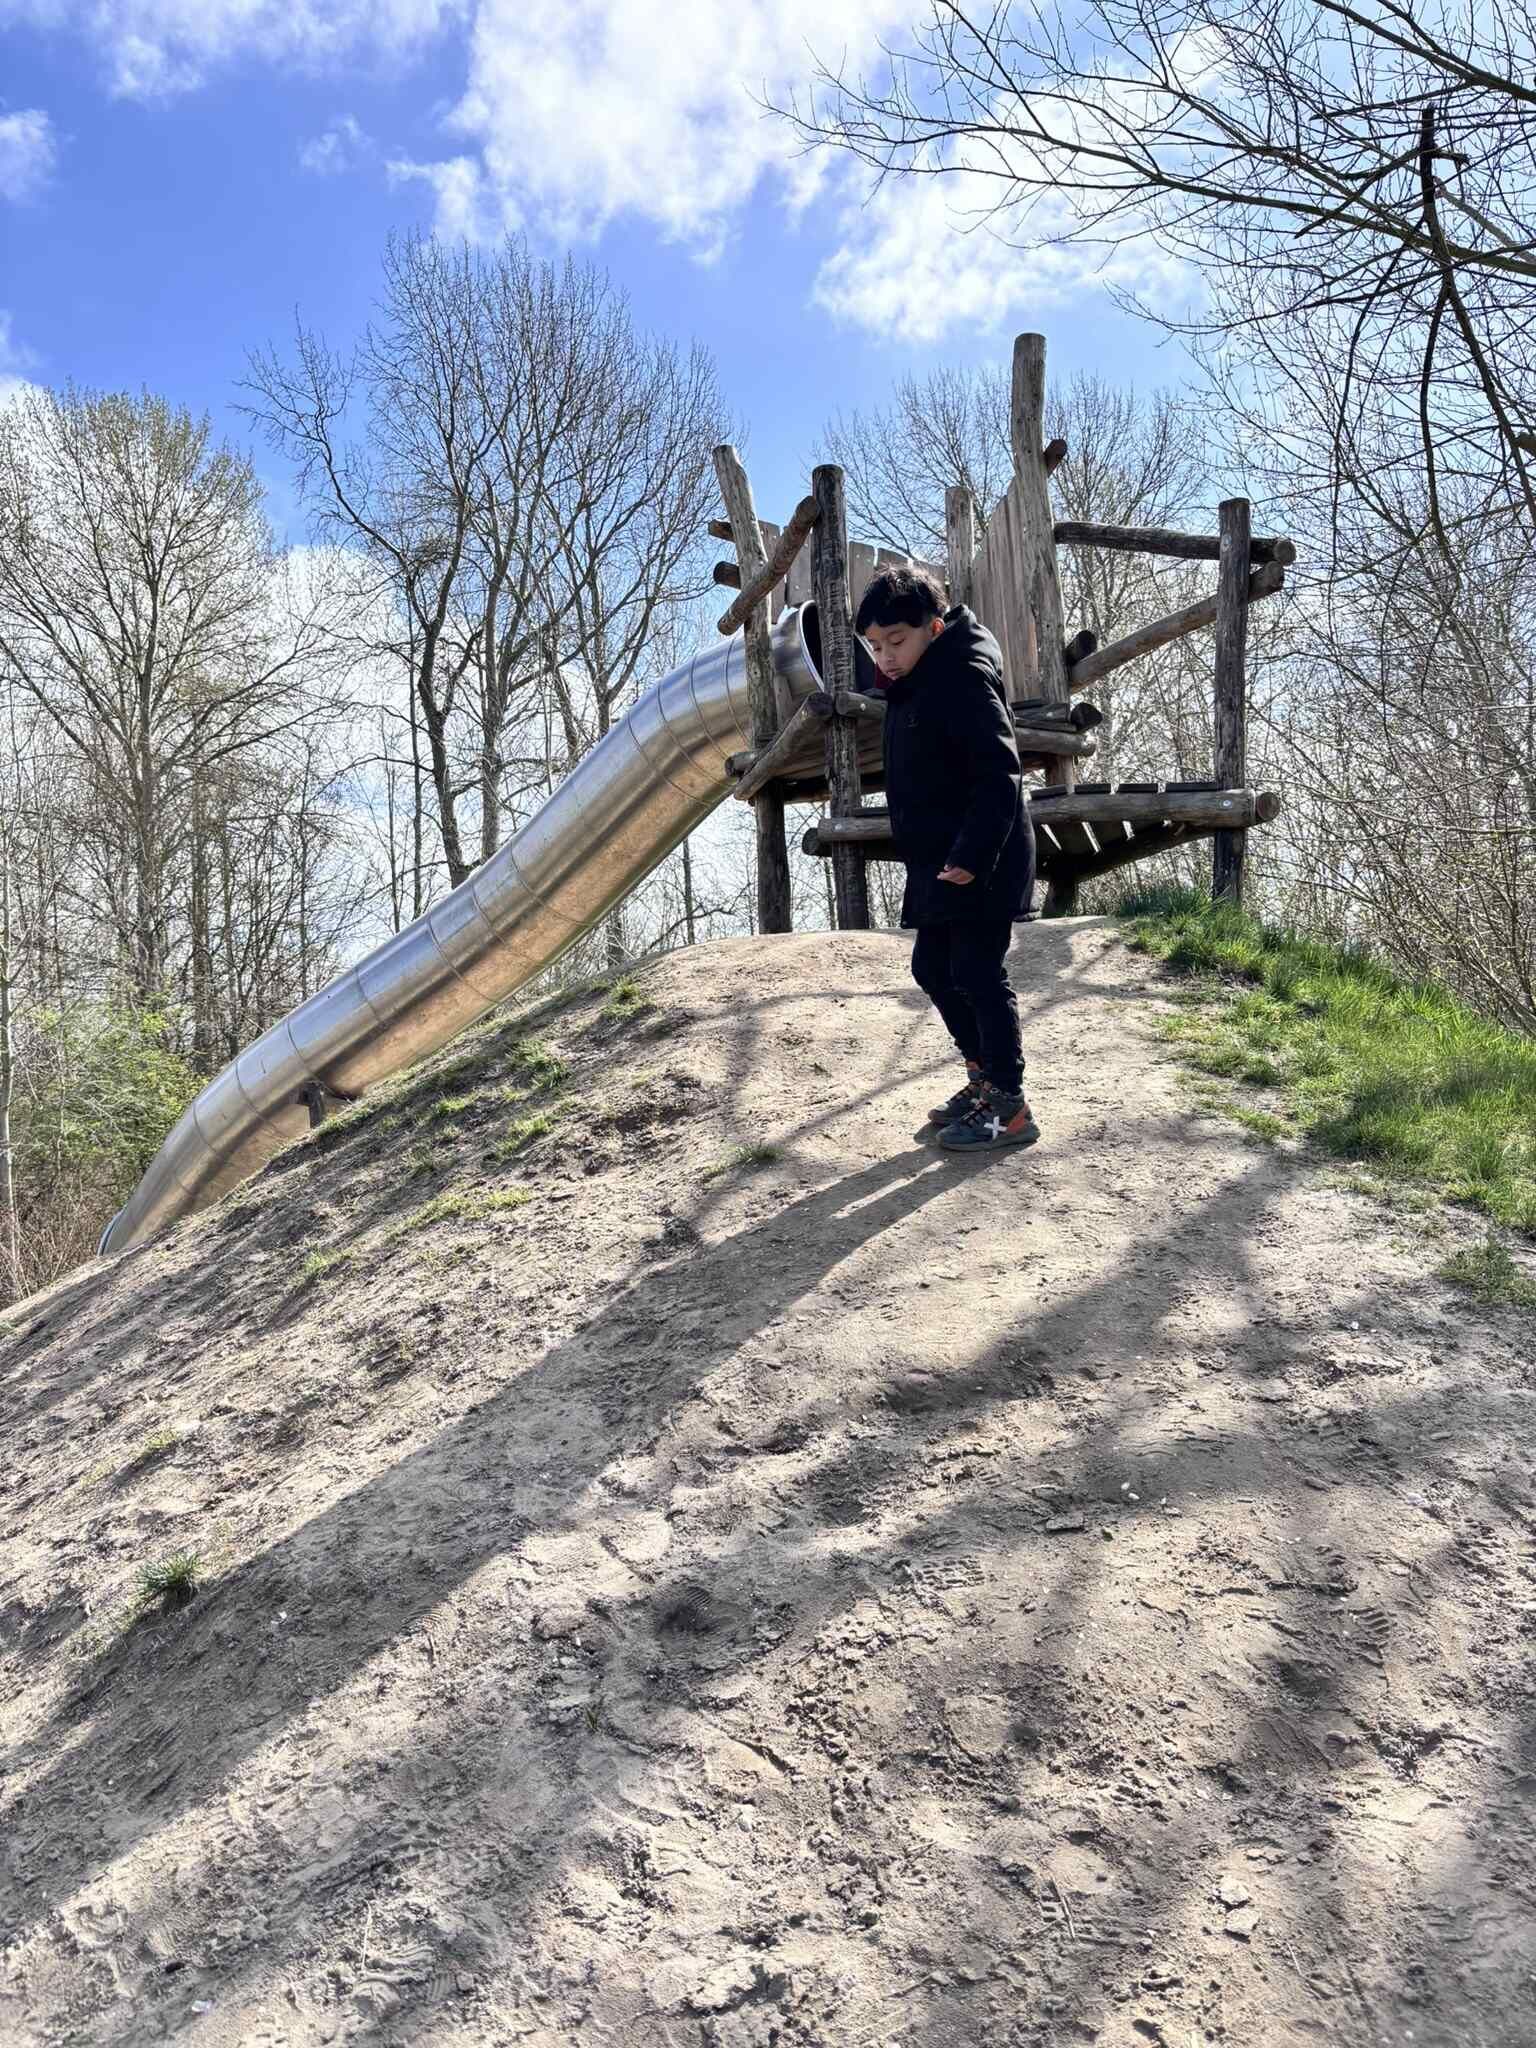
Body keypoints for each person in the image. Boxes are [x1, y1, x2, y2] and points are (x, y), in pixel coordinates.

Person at [855, 566, 1039, 1151]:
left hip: (983, 855)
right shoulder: (911, 682)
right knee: (933, 969)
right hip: (939, 859)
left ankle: (1009, 1107)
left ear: (934, 629)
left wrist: (973, 853)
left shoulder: (962, 676)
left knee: (977, 972)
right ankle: (983, 1080)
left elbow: (999, 772)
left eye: (897, 641)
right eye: (875, 645)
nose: (885, 656)